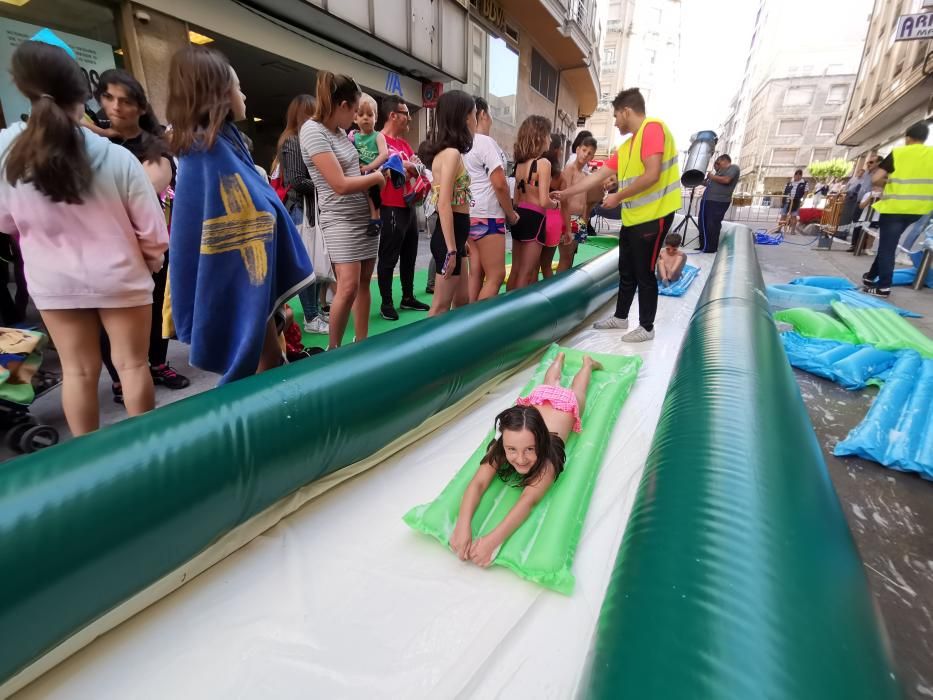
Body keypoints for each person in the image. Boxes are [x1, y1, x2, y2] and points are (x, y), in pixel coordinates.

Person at [0, 41, 168, 434]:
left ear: (22, 86)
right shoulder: (115, 157)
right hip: (122, 277)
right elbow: (153, 232)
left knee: (78, 373)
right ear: (83, 95)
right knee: (132, 366)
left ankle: (88, 468)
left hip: (54, 282)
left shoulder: (7, 151)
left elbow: (6, 222)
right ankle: (148, 454)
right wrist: (148, 262)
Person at [166, 46, 312, 382]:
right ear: (219, 95)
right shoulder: (206, 152)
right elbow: (246, 216)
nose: (243, 94)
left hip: (249, 272)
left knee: (270, 359)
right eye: (237, 86)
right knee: (257, 365)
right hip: (240, 272)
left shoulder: (224, 145)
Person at [89, 68, 191, 404]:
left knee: (157, 307)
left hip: (151, 245)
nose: (116, 107)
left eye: (126, 100)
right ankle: (120, 378)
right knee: (109, 322)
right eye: (109, 98)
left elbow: (146, 192)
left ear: (140, 107)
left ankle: (157, 363)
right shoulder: (90, 143)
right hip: (101, 252)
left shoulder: (153, 147)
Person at [450, 351, 602, 567]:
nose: (520, 459)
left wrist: (491, 541)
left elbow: (527, 501)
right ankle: (560, 359)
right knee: (549, 383)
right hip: (542, 397)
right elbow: (478, 483)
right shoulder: (505, 443)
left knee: (576, 390)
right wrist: (462, 525)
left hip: (566, 405)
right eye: (512, 449)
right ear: (504, 441)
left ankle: (587, 364)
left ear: (540, 441)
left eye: (530, 449)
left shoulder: (549, 457)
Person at [554, 88, 681, 343]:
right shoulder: (627, 146)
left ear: (626, 111)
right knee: (627, 270)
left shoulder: (653, 128)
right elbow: (597, 177)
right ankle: (621, 316)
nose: (615, 121)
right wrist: (565, 193)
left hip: (654, 216)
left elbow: (652, 174)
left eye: (615, 116)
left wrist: (617, 197)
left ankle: (646, 327)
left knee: (644, 273)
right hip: (634, 219)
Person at [301, 71, 388, 347]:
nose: (356, 117)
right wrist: (375, 178)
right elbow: (338, 184)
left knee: (363, 282)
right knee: (347, 286)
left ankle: (360, 343)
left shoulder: (340, 133)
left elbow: (354, 170)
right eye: (355, 110)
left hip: (364, 217)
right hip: (340, 219)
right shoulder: (312, 131)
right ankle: (334, 349)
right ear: (342, 106)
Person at [277, 94, 329, 335]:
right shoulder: (294, 142)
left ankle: (315, 311)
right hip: (301, 211)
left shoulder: (299, 139)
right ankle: (311, 316)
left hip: (308, 210)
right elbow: (296, 180)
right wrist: (327, 183)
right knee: (310, 265)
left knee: (314, 262)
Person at [862, 121, 933, 297]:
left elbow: (876, 179)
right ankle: (871, 276)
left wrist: (891, 183)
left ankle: (883, 286)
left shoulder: (899, 153)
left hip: (895, 207)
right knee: (889, 242)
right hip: (919, 209)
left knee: (887, 246)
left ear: (908, 137)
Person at [377, 95, 431, 320]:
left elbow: (415, 168)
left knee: (409, 253)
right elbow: (388, 168)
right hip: (389, 204)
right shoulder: (378, 139)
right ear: (393, 115)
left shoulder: (404, 144)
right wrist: (406, 165)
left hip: (408, 204)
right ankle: (386, 302)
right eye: (406, 113)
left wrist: (408, 166)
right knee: (388, 256)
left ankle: (407, 296)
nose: (409, 117)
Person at [422, 90, 475, 317]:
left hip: (454, 235)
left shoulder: (447, 153)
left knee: (461, 300)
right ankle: (423, 351)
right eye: (473, 114)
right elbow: (443, 204)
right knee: (440, 306)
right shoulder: (451, 154)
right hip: (448, 239)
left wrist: (459, 244)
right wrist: (452, 250)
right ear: (463, 117)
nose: (475, 119)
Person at [464, 96, 518, 302]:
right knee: (496, 275)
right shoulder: (485, 142)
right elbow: (500, 184)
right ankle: (477, 326)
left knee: (476, 272)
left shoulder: (464, 144)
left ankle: (466, 321)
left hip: (470, 214)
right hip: (489, 216)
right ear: (483, 114)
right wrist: (511, 214)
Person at [508, 115, 557, 291]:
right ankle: (517, 312)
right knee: (526, 272)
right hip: (536, 219)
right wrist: (556, 204)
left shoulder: (519, 165)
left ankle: (507, 307)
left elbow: (516, 197)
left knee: (515, 269)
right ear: (539, 136)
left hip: (519, 216)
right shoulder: (543, 163)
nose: (550, 139)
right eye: (548, 134)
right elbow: (544, 201)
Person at [350, 93, 389, 236]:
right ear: (355, 118)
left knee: (372, 193)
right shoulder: (353, 136)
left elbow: (384, 154)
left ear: (376, 118)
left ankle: (375, 219)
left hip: (374, 172)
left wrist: (369, 167)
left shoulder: (378, 136)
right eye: (361, 115)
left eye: (369, 115)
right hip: (358, 175)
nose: (365, 118)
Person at [559, 134, 597, 271]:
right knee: (565, 258)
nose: (585, 155)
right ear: (578, 149)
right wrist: (566, 224)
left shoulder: (584, 175)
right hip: (569, 219)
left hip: (579, 220)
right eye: (584, 150)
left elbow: (585, 201)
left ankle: (565, 286)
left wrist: (584, 220)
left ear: (592, 158)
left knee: (570, 257)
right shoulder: (570, 169)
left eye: (589, 153)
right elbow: (564, 197)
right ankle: (560, 287)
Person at [697, 154, 738, 253]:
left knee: (712, 224)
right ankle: (703, 245)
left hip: (719, 202)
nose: (717, 165)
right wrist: (700, 179)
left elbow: (726, 180)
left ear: (724, 161)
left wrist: (712, 176)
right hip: (707, 200)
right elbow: (708, 183)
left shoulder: (733, 168)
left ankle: (711, 247)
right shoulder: (717, 173)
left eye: (718, 162)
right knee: (702, 223)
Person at [540, 133, 568, 280]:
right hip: (553, 219)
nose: (562, 152)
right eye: (561, 149)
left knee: (531, 266)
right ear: (556, 150)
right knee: (546, 265)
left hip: (537, 216)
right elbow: (565, 205)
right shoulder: (560, 176)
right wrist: (566, 229)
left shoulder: (535, 167)